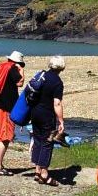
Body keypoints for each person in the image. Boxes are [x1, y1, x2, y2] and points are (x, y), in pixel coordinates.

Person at [30, 55, 65, 186]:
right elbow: (57, 103)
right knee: (47, 142)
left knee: (38, 140)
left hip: (34, 112)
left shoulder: (41, 75)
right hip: (46, 115)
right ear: (61, 67)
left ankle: (37, 171)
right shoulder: (57, 82)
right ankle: (44, 174)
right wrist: (61, 121)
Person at [0, 50, 25, 176]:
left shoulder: (2, 67)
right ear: (18, 61)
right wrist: (21, 70)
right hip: (5, 108)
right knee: (5, 137)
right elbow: (20, 83)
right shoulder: (13, 69)